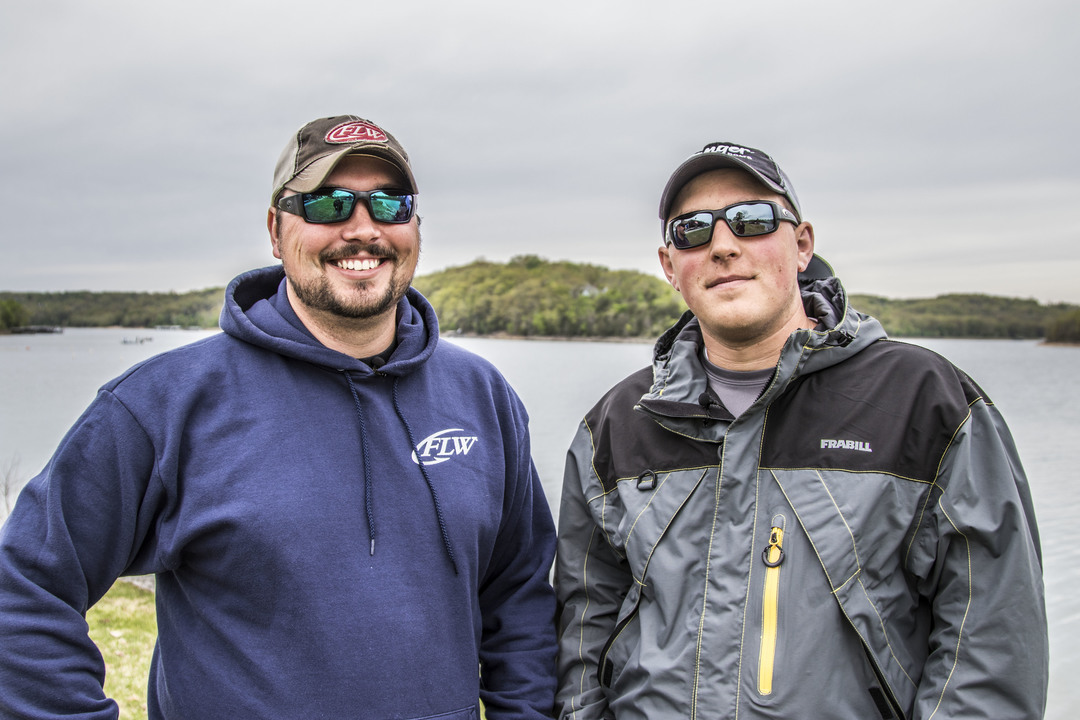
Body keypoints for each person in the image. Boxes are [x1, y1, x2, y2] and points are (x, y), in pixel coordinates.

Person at [0, 115, 557, 719]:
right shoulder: (163, 405)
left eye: (391, 204)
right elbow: (23, 590)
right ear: (275, 228)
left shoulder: (483, 398)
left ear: (415, 226)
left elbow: (520, 599)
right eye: (327, 205)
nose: (362, 229)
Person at [553, 141, 1048, 719]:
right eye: (692, 231)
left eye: (752, 220)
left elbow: (989, 646)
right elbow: (582, 637)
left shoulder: (927, 404)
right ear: (669, 265)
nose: (723, 246)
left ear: (803, 244)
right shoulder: (615, 425)